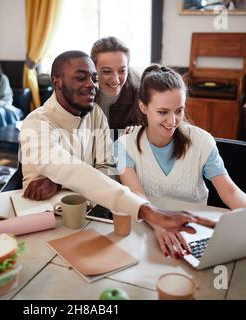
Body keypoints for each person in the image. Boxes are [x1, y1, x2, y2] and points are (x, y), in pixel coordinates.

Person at [19, 50, 216, 235]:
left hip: (92, 214)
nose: (91, 85)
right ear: (57, 82)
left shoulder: (95, 115)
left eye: (94, 78)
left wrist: (59, 184)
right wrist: (147, 211)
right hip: (44, 219)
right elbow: (67, 168)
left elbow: (108, 171)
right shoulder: (36, 124)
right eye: (81, 78)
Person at [115, 64, 246, 258]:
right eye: (163, 112)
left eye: (179, 110)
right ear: (143, 106)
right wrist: (159, 222)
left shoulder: (201, 141)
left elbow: (230, 191)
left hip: (196, 232)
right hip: (147, 231)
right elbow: (136, 194)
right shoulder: (124, 145)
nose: (173, 120)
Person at [91, 37, 142, 137]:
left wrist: (139, 130)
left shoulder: (141, 92)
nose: (115, 79)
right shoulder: (82, 90)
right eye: (106, 71)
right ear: (93, 68)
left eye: (122, 71)